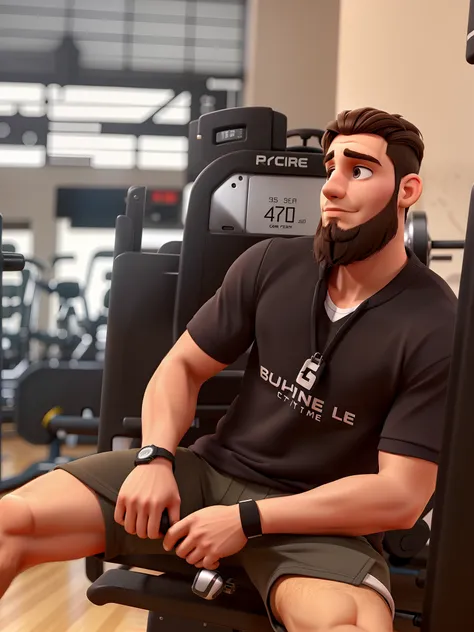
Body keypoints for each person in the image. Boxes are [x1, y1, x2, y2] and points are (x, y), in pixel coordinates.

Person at [0, 107, 456, 632]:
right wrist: (154, 458)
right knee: (12, 521)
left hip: (318, 521)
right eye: (329, 168)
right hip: (212, 475)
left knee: (349, 627)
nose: (332, 187)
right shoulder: (271, 264)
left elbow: (399, 497)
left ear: (408, 190)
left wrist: (247, 520)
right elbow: (182, 367)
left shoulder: (434, 323)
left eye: (359, 171)